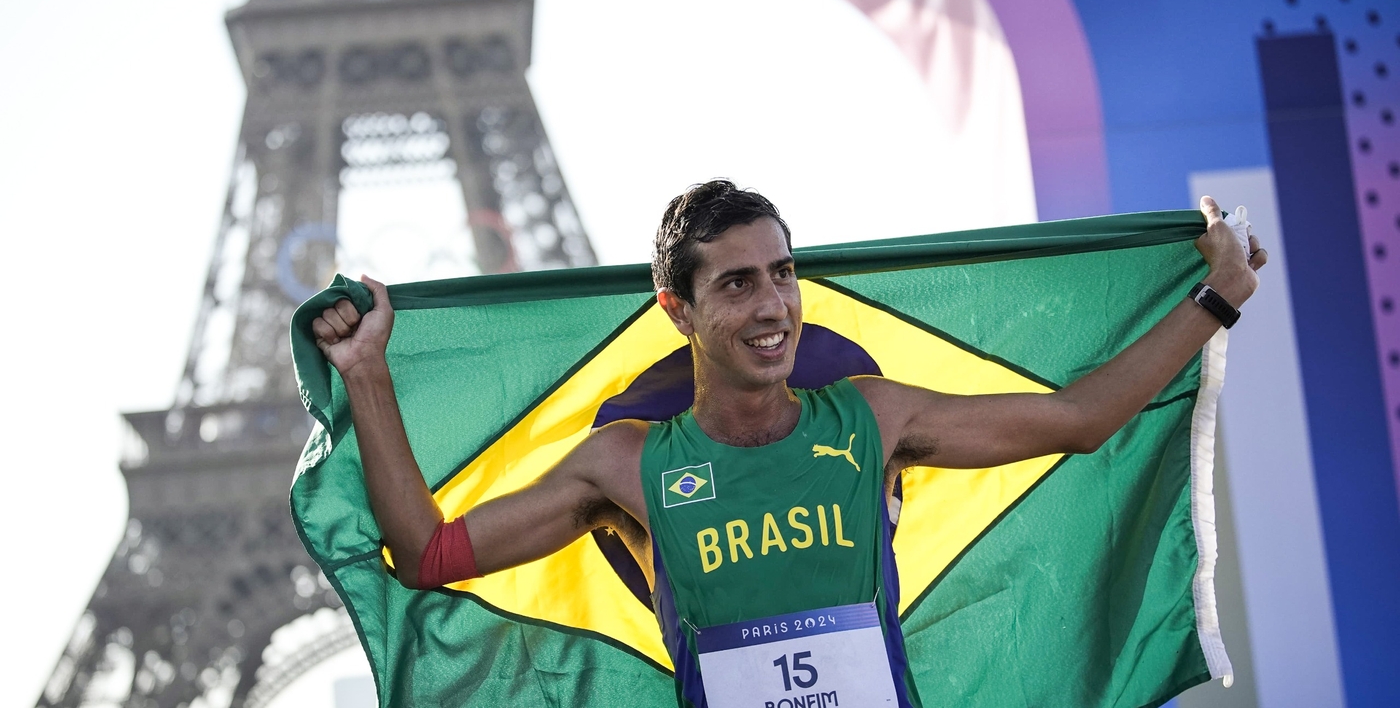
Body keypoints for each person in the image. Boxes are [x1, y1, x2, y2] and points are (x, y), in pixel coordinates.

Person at [311, 179, 1266, 708]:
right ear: (676, 307)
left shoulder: (873, 416)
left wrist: (1216, 298)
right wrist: (366, 373)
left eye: (783, 272)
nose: (773, 306)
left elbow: (1080, 420)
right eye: (736, 285)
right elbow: (428, 555)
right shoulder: (628, 463)